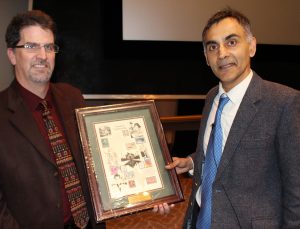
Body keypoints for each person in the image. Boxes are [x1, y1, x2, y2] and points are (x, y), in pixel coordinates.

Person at [154, 8, 300, 228]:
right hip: (199, 220)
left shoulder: (285, 102)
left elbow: (296, 189)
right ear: (206, 57)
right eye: (213, 47)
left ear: (251, 46)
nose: (221, 54)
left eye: (231, 42)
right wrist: (192, 162)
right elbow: (224, 149)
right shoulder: (212, 97)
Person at [0, 10, 105, 229]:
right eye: (31, 46)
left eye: (49, 47)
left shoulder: (73, 97)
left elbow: (96, 161)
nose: (43, 55)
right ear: (11, 54)